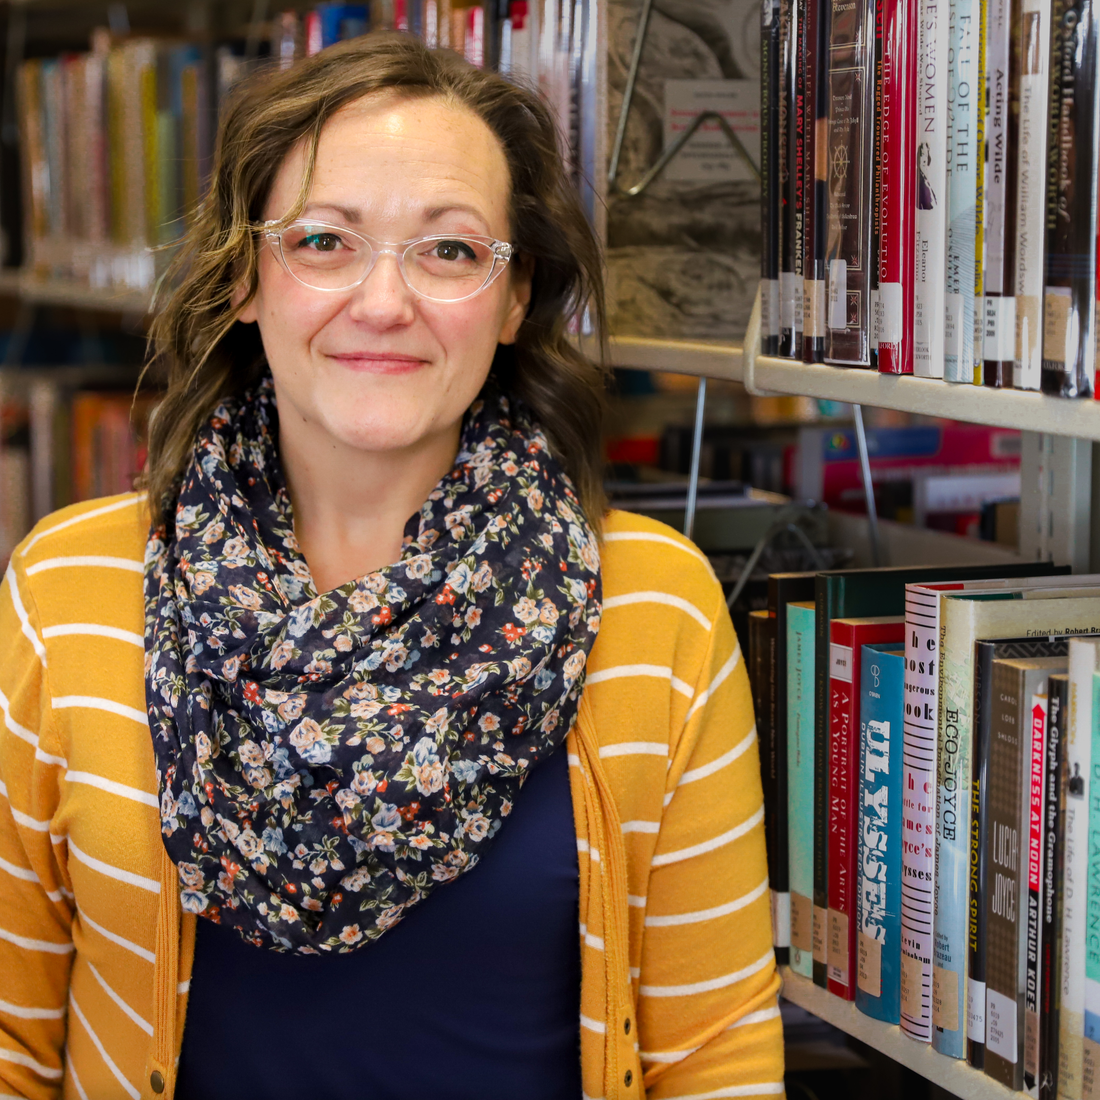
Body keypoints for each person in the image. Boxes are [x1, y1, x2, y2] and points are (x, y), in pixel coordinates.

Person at [0, 33, 781, 1100]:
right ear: (244, 276)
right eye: (323, 241)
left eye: (449, 251)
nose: (382, 302)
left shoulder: (656, 609)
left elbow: (715, 1054)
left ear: (513, 301)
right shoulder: (67, 592)